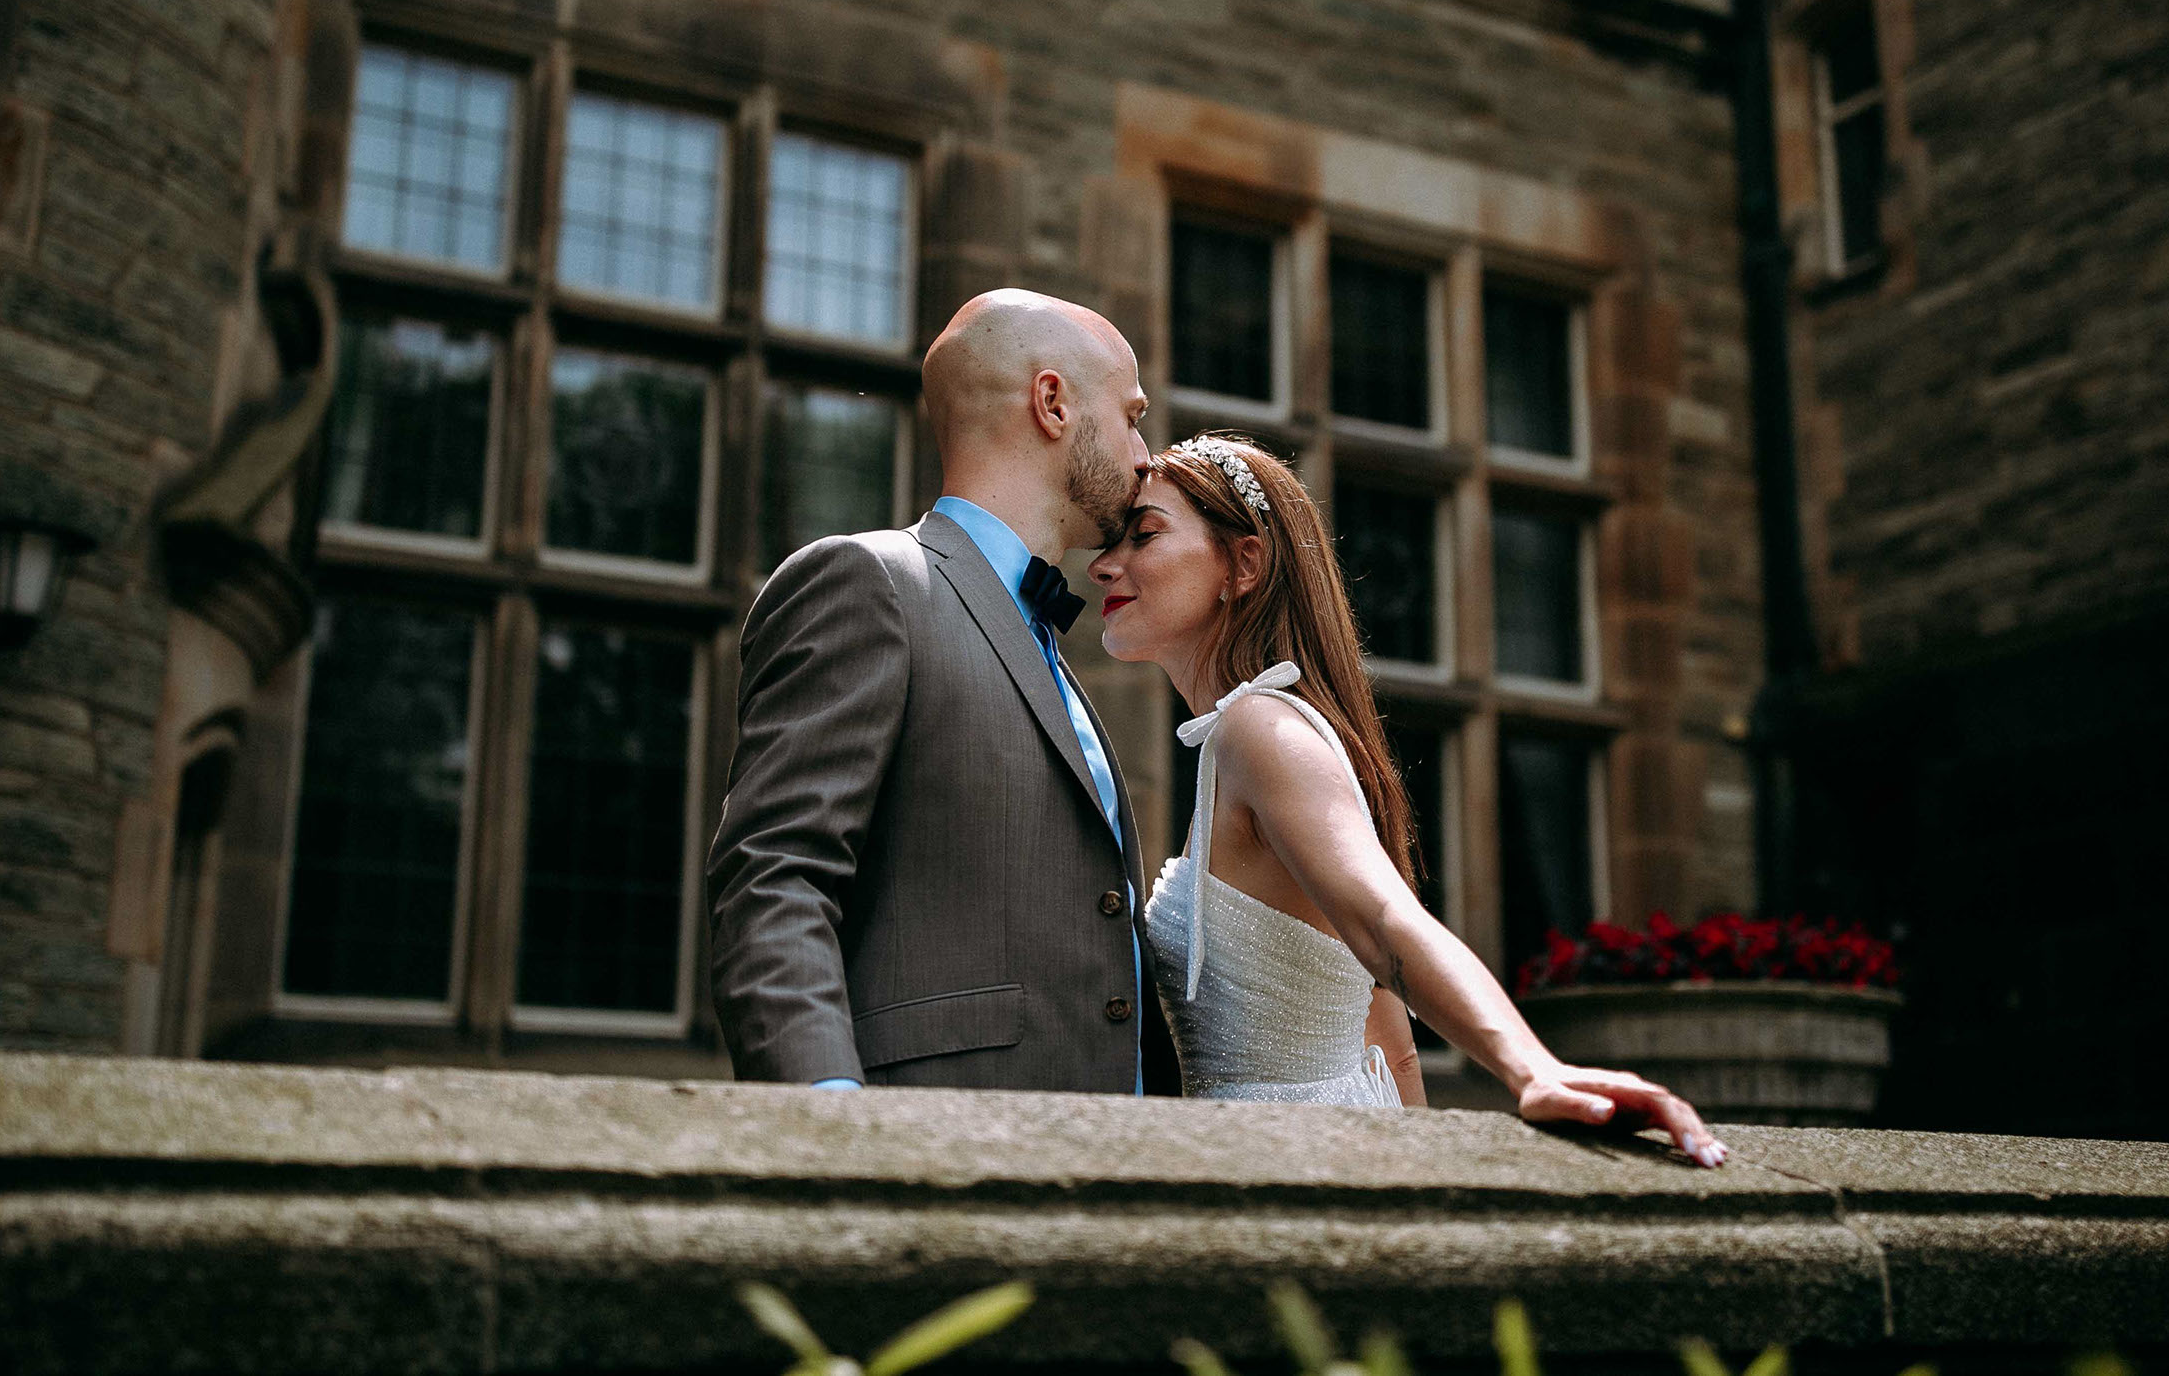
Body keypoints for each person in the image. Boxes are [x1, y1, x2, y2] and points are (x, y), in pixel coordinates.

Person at [1088, 432, 1728, 1164]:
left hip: (1299, 1158)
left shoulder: (1260, 727)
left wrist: (1533, 1070)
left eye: (1144, 535)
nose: (1106, 563)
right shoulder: (1247, 734)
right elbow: (1390, 1045)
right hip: (1297, 1147)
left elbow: (1384, 920)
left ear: (1245, 563)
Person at [705, 288, 1172, 1092]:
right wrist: (832, 1127)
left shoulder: (1049, 645)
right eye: (1131, 417)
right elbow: (776, 877)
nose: (1145, 457)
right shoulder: (868, 582)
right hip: (930, 1152)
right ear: (1051, 402)